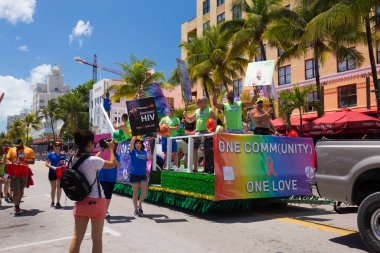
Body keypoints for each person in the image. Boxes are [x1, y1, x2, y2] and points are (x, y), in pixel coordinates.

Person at [69, 130, 116, 253]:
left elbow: (90, 160)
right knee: (96, 239)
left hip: (80, 201)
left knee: (77, 238)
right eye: (93, 143)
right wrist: (111, 149)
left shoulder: (72, 159)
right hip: (96, 202)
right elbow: (112, 164)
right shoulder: (92, 161)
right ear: (89, 143)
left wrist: (101, 150)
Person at [183, 97, 216, 172]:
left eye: (198, 102)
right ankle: (195, 168)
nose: (197, 103)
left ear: (204, 102)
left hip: (205, 133)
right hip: (197, 133)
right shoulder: (197, 111)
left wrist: (211, 130)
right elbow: (190, 120)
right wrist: (186, 116)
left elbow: (214, 120)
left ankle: (206, 168)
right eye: (197, 102)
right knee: (194, 149)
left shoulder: (210, 110)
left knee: (204, 150)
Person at [6, 138, 35, 215]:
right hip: (14, 173)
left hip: (24, 172)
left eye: (18, 145)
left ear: (22, 143)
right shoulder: (11, 150)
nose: (17, 147)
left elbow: (33, 161)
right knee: (16, 190)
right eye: (15, 145)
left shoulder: (29, 150)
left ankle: (17, 203)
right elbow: (7, 159)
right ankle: (17, 207)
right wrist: (12, 163)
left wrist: (24, 160)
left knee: (21, 190)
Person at [96, 143, 121, 219]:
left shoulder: (116, 155)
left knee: (108, 195)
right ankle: (101, 210)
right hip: (102, 176)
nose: (111, 146)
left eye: (113, 145)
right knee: (104, 193)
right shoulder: (102, 152)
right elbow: (95, 158)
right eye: (110, 145)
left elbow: (119, 165)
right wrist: (102, 149)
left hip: (112, 178)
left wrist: (113, 155)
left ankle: (105, 210)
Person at [129, 136, 152, 216]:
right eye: (137, 143)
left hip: (143, 175)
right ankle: (136, 209)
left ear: (141, 145)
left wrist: (149, 150)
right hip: (134, 174)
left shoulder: (144, 152)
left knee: (145, 191)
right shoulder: (132, 152)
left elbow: (150, 158)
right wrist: (134, 138)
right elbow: (131, 143)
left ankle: (139, 204)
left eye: (139, 143)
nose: (138, 144)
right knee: (135, 193)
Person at [45, 142, 66, 209]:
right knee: (53, 187)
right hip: (52, 172)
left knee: (59, 187)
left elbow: (63, 163)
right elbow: (46, 164)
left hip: (60, 172)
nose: (57, 147)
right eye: (56, 145)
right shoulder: (50, 154)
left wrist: (63, 164)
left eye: (59, 145)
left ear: (60, 147)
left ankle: (58, 202)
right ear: (53, 147)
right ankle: (52, 201)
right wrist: (53, 167)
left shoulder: (63, 155)